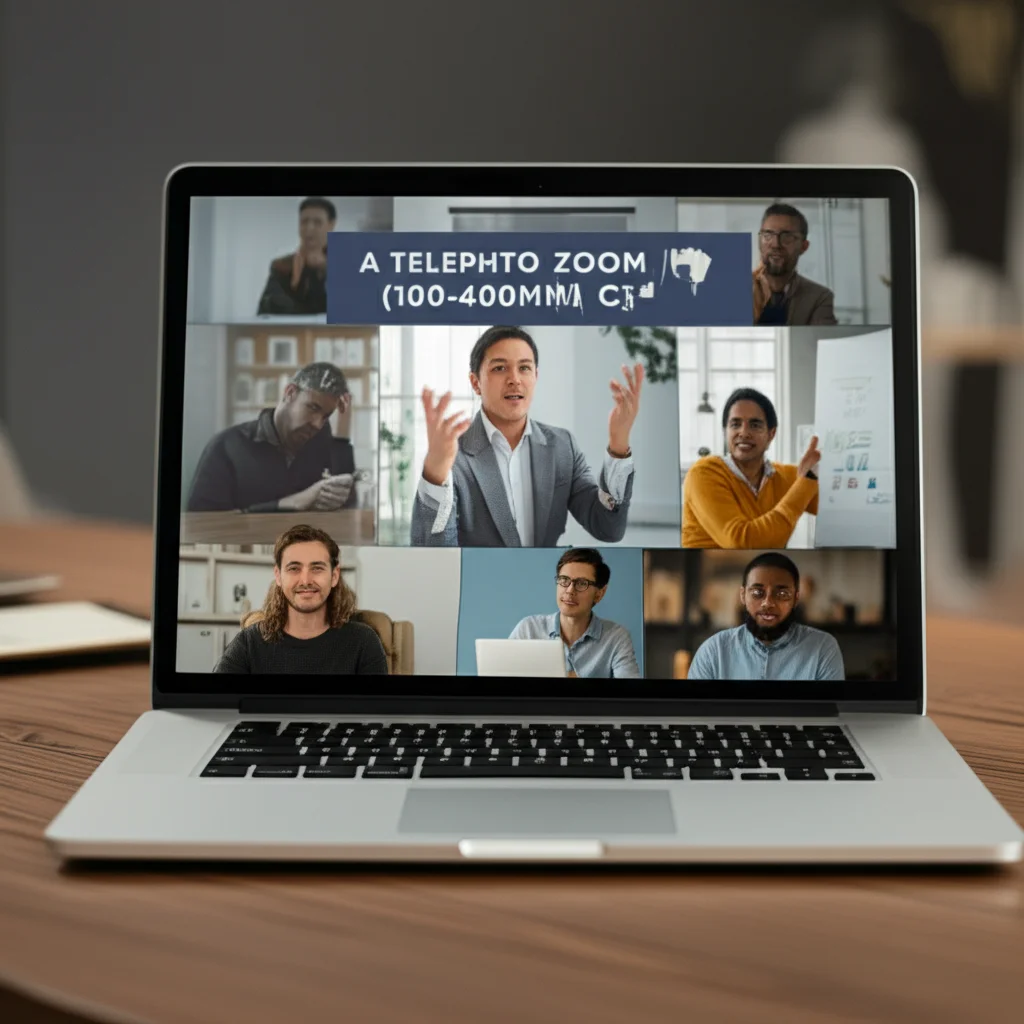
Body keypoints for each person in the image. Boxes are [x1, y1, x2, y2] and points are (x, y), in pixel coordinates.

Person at [411, 325, 644, 546]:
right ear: (475, 382)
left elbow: (608, 528)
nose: (515, 379)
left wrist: (618, 442)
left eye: (524, 368)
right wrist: (436, 474)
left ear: (536, 376)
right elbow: (435, 554)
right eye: (499, 368)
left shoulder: (563, 447)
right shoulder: (452, 455)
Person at [214, 524, 388, 674]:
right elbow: (214, 703)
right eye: (294, 568)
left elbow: (376, 711)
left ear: (334, 576)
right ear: (278, 576)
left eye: (317, 568)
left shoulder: (364, 642)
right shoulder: (249, 643)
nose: (305, 581)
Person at [187, 362, 359, 513]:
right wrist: (293, 502)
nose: (317, 424)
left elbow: (348, 509)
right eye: (313, 408)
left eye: (326, 416)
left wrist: (342, 437)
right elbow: (200, 524)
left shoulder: (323, 442)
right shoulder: (226, 447)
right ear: (290, 393)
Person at [682, 387, 820, 548]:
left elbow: (835, 508)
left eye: (755, 425)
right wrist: (807, 480)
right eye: (735, 424)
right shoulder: (703, 473)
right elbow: (741, 542)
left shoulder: (787, 477)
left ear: (771, 434)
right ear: (725, 431)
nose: (744, 432)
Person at [687, 552, 844, 680]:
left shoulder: (822, 648)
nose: (768, 603)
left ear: (796, 599)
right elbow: (696, 714)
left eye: (782, 593)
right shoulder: (714, 651)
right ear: (743, 596)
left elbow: (825, 716)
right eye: (757, 593)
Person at [508, 548, 639, 678]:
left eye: (582, 583)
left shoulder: (616, 637)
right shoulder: (529, 629)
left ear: (599, 594)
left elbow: (631, 695)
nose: (570, 590)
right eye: (564, 580)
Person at [753, 203, 838, 325]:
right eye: (768, 235)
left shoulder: (819, 297)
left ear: (804, 246)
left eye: (787, 237)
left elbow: (821, 342)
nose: (776, 244)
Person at [257, 197, 336, 315]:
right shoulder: (282, 266)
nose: (309, 228)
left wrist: (324, 270)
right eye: (304, 222)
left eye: (317, 222)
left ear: (331, 225)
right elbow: (267, 309)